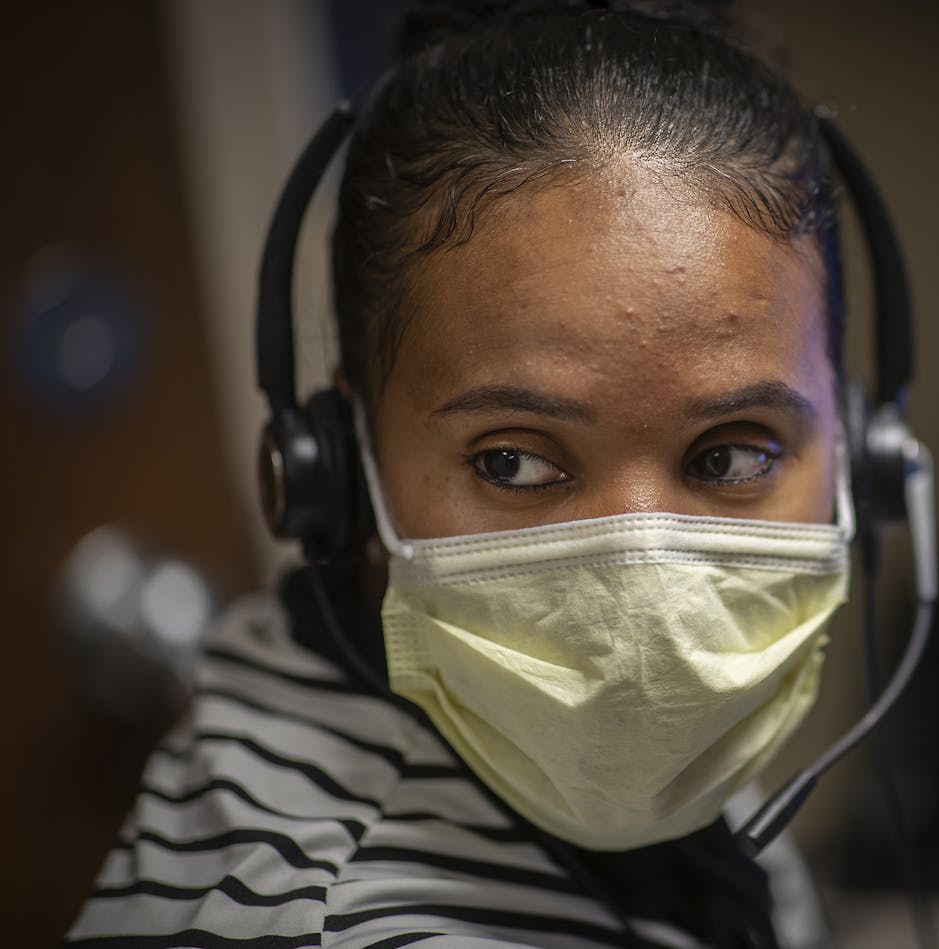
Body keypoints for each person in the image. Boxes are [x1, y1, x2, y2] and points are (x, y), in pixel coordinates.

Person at [66, 1, 875, 945]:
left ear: (864, 449)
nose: (645, 595)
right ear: (341, 466)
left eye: (730, 455)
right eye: (514, 461)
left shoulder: (713, 807)